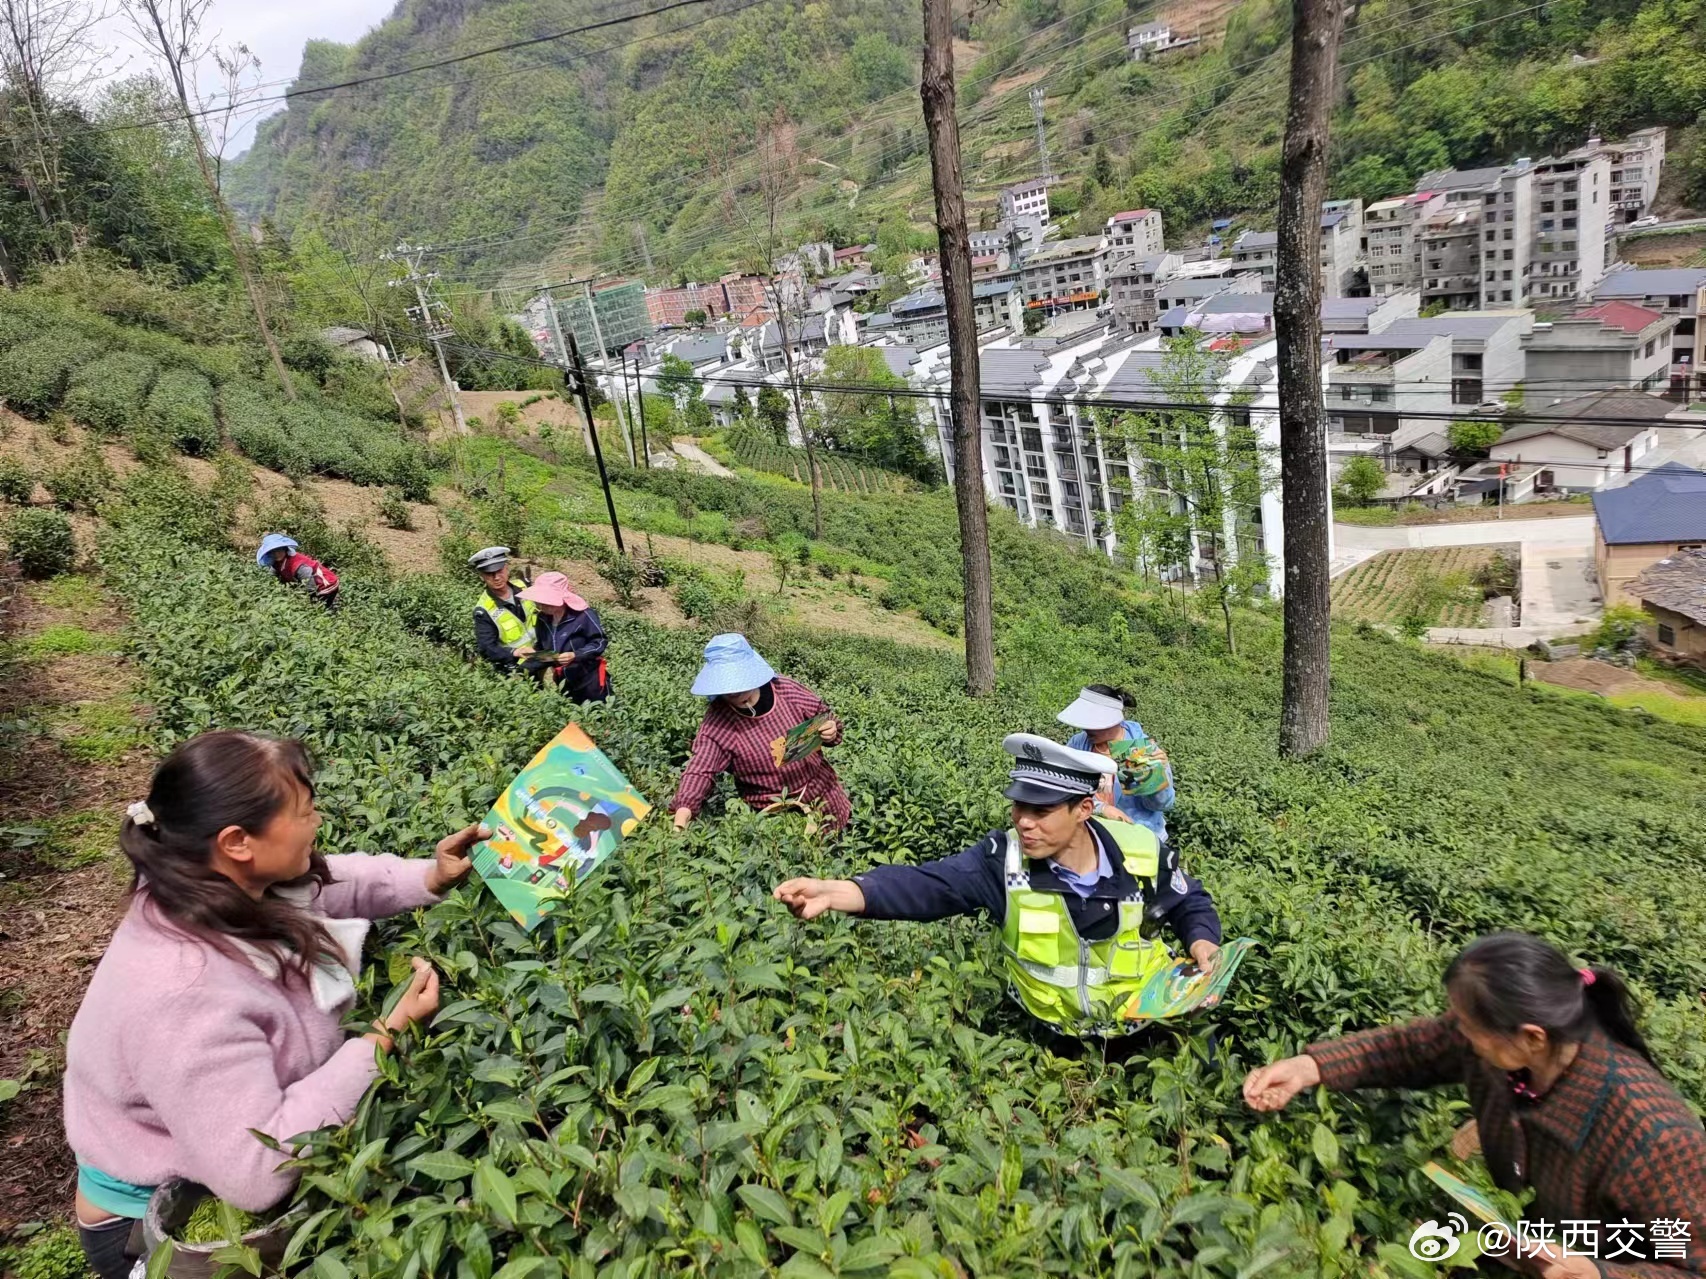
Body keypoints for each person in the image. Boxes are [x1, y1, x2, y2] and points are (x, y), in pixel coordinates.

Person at [62, 731, 487, 1279]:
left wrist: (428, 876)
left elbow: (324, 883)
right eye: (305, 812)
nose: (317, 823)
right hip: (159, 1222)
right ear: (238, 841)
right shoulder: (181, 990)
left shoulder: (212, 879)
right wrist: (384, 1036)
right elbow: (255, 1170)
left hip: (221, 1155)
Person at [1243, 933, 1706, 1278]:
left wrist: (1602, 1274)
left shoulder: (1654, 1135)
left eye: (1466, 1026)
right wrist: (1309, 1067)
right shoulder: (1512, 1052)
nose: (1457, 1035)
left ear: (1531, 1038)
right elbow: (1413, 1047)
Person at [773, 734, 1222, 1037]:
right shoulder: (1000, 861)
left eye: (1041, 812)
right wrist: (837, 892)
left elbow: (1189, 901)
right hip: (1047, 1039)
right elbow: (930, 885)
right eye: (1019, 807)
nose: (1024, 823)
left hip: (1144, 1033)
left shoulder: (1141, 848)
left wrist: (1202, 943)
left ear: (1085, 808)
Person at [671, 633, 849, 831]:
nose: (735, 692)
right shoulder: (719, 722)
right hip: (777, 819)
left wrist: (831, 731)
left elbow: (825, 717)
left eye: (740, 682)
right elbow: (700, 769)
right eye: (728, 687)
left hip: (826, 796)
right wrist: (683, 813)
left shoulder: (787, 692)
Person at [1058, 685, 1175, 840]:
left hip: (1138, 838)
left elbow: (1160, 805)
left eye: (1093, 723)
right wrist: (1101, 808)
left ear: (1114, 721)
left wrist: (1157, 775)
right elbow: (1067, 787)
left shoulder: (1140, 748)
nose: (1086, 729)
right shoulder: (1079, 744)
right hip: (1092, 834)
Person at [517, 571, 609, 703]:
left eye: (547, 601)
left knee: (597, 716)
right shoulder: (542, 618)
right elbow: (549, 652)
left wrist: (575, 655)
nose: (542, 606)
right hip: (563, 680)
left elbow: (599, 642)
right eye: (540, 602)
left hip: (589, 680)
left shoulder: (583, 616)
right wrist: (533, 655)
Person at [468, 545, 536, 673]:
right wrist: (514, 652)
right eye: (489, 574)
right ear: (481, 576)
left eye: (499, 571)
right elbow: (487, 647)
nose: (496, 577)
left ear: (506, 569)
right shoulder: (483, 610)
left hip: (541, 653)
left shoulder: (524, 587)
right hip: (517, 665)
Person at [256, 534, 339, 609]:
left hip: (325, 584)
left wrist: (309, 599)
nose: (276, 554)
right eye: (272, 552)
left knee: (320, 608)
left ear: (285, 549)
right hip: (311, 582)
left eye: (279, 550)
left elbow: (310, 583)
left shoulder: (297, 564)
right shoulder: (277, 563)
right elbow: (272, 577)